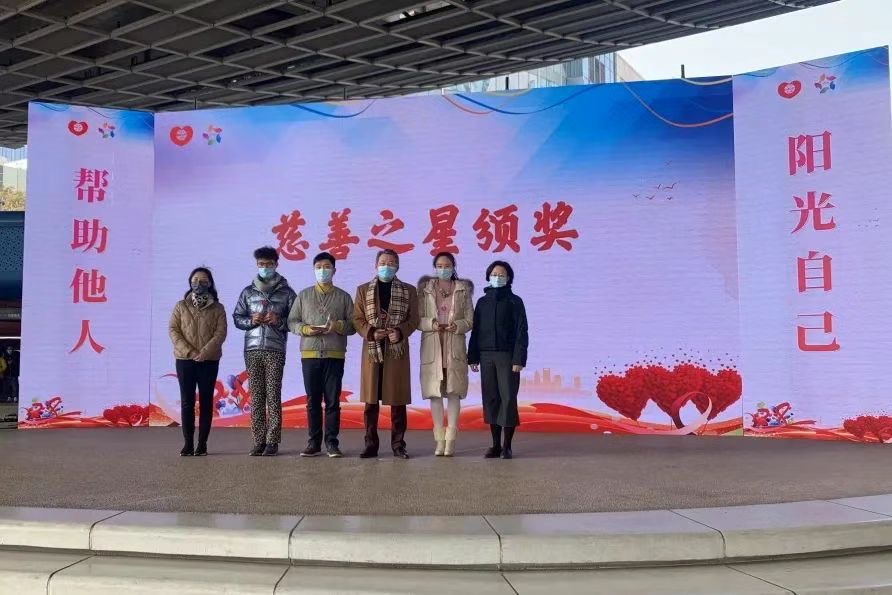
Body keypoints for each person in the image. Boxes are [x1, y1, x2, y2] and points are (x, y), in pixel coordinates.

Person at [353, 249, 420, 459]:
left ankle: (398, 445)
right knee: (370, 402)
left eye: (391, 263)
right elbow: (357, 319)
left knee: (397, 401)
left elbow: (414, 319)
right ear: (376, 265)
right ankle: (370, 445)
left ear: (397, 266)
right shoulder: (363, 290)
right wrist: (371, 332)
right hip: (372, 350)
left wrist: (399, 331)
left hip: (396, 349)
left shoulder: (409, 290)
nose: (386, 266)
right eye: (383, 262)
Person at [288, 252, 356, 458]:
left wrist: (337, 326)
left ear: (334, 270)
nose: (323, 271)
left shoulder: (343, 297)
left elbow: (353, 325)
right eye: (319, 267)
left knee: (333, 401)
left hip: (335, 354)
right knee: (313, 401)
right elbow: (292, 321)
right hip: (309, 354)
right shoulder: (304, 295)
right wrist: (306, 329)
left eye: (327, 267)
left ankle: (332, 443)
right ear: (314, 270)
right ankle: (314, 443)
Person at [233, 246, 297, 457]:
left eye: (269, 264)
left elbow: (296, 322)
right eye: (261, 264)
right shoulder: (248, 292)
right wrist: (250, 321)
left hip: (275, 349)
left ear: (276, 265)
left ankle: (272, 441)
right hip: (252, 349)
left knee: (273, 395)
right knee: (256, 396)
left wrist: (278, 321)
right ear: (257, 265)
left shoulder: (287, 292)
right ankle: (258, 440)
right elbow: (237, 318)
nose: (265, 268)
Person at [468, 261, 529, 459]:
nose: (497, 277)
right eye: (494, 274)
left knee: (508, 398)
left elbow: (521, 332)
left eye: (502, 275)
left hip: (507, 356)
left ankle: (507, 446)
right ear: (488, 276)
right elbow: (476, 331)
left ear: (509, 278)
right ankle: (495, 445)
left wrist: (518, 359)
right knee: (491, 398)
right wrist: (473, 356)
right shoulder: (482, 302)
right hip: (486, 356)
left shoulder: (515, 302)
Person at [417, 252, 473, 456]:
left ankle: (451, 440)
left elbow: (470, 320)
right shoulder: (425, 290)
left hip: (454, 345)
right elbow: (417, 319)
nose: (443, 269)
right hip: (433, 345)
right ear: (435, 267)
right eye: (439, 266)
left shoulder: (463, 289)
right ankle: (439, 441)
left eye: (447, 265)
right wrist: (430, 324)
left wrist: (457, 325)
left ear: (453, 267)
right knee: (435, 393)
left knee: (453, 392)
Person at [168, 267, 227, 456]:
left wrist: (205, 352)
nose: (198, 284)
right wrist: (191, 351)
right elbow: (173, 330)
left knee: (206, 402)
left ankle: (202, 444)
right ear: (190, 282)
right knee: (187, 402)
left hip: (209, 361)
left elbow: (220, 333)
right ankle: (188, 444)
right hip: (185, 360)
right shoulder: (180, 306)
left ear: (209, 283)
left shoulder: (218, 308)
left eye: (203, 281)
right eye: (195, 280)